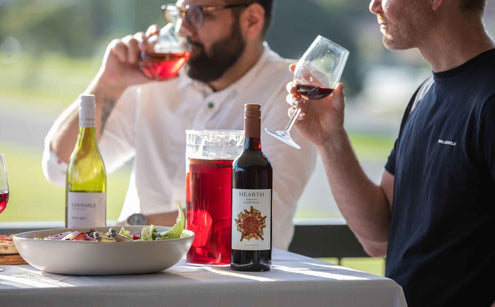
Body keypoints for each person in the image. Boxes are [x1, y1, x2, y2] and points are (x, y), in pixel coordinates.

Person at [42, 0, 316, 250]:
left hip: (235, 288)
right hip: (139, 283)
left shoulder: (291, 93)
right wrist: (109, 83)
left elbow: (257, 216)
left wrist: (135, 226)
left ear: (252, 20)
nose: (182, 29)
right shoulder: (157, 78)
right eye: (179, 13)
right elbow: (60, 168)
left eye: (197, 15)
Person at [287, 0, 495, 305]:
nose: (373, 6)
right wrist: (330, 140)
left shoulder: (490, 98)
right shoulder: (425, 95)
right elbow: (379, 236)